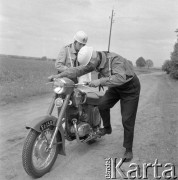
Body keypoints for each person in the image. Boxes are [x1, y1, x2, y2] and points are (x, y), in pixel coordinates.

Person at [49, 46, 141, 162]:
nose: (90, 66)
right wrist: (58, 76)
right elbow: (78, 70)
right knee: (102, 104)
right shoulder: (94, 61)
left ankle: (128, 149)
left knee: (127, 119)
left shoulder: (114, 60)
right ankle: (107, 128)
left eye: (90, 63)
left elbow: (120, 78)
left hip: (130, 88)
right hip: (115, 88)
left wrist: (99, 81)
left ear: (94, 57)